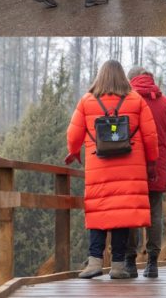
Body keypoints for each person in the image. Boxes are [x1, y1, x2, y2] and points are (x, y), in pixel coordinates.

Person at [65, 59, 159, 279]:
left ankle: (95, 262)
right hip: (129, 169)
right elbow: (150, 135)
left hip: (99, 166)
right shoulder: (136, 100)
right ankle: (117, 266)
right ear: (123, 77)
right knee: (122, 216)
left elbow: (73, 135)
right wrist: (152, 161)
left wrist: (75, 152)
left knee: (99, 212)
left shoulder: (87, 101)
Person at [122, 66, 166, 279]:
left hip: (131, 167)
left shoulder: (127, 102)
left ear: (130, 81)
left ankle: (129, 262)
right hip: (157, 168)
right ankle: (152, 263)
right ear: (150, 79)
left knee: (131, 214)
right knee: (154, 213)